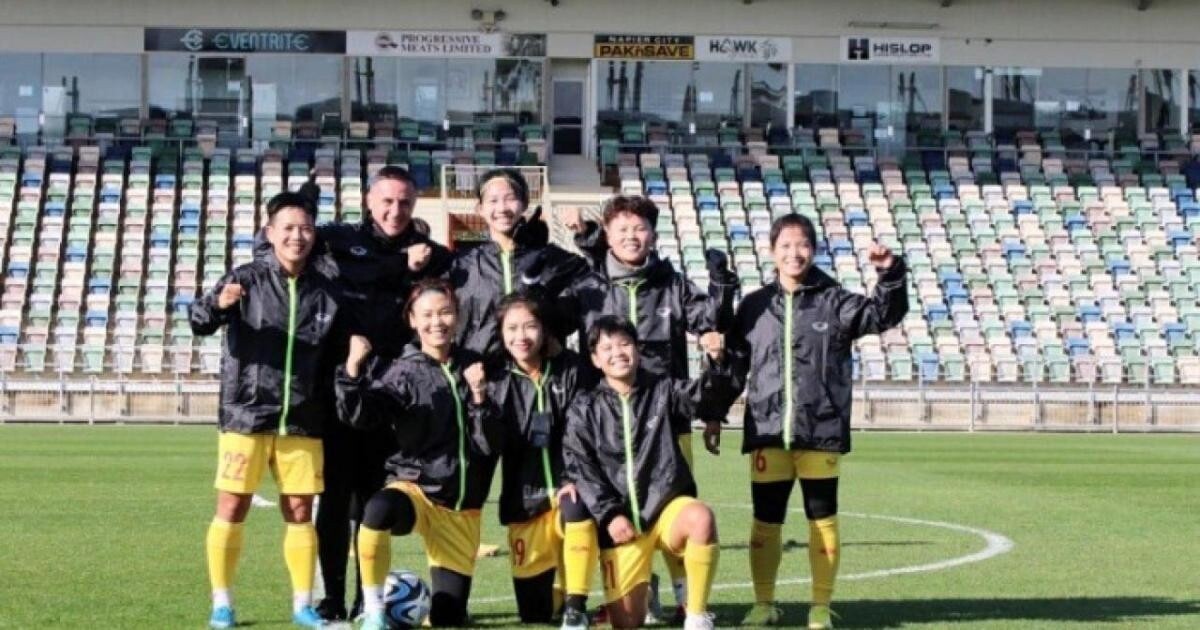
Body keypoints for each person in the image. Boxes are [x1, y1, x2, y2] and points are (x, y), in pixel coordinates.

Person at [718, 213, 908, 629]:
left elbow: (882, 315)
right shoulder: (754, 306)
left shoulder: (835, 300)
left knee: (822, 519)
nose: (794, 253)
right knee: (765, 523)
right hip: (768, 430)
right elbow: (733, 368)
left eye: (801, 244)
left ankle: (820, 607)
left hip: (820, 431)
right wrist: (714, 413)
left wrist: (890, 274)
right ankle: (763, 604)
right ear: (772, 252)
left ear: (814, 250)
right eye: (785, 245)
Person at [558, 195, 737, 622]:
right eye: (622, 230)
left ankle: (686, 599)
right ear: (608, 236)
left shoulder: (671, 283)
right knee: (619, 505)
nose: (631, 237)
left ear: (653, 236)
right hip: (606, 421)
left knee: (675, 500)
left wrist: (722, 282)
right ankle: (633, 585)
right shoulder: (590, 286)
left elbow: (710, 319)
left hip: (665, 416)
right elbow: (548, 321)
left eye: (640, 229)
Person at [191, 191, 346, 629]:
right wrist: (217, 305)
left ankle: (302, 606)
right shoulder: (247, 278)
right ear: (270, 233)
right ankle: (222, 602)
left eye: (306, 229)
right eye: (289, 228)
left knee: (299, 511)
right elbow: (199, 320)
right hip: (247, 414)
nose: (298, 236)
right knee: (232, 506)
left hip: (302, 417)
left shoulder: (326, 291)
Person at [335, 279, 502, 629]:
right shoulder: (403, 372)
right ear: (412, 320)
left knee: (447, 618)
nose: (436, 322)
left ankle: (444, 608)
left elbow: (488, 443)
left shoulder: (476, 367)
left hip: (461, 507)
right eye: (427, 315)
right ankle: (375, 611)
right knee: (378, 509)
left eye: (445, 312)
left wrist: (479, 396)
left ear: (457, 316)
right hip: (418, 490)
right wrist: (351, 372)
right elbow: (362, 415)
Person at [564, 316, 731, 630]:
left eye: (625, 344)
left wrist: (717, 362)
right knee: (627, 622)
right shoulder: (584, 407)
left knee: (701, 518)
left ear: (637, 350)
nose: (618, 353)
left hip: (665, 508)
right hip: (622, 521)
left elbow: (708, 396)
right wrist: (610, 514)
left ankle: (696, 616)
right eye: (607, 347)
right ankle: (643, 594)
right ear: (596, 359)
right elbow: (580, 466)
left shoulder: (663, 389)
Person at [485, 293, 599, 629]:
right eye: (512, 328)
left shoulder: (573, 370)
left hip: (568, 488)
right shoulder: (494, 378)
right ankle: (560, 592)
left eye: (530, 326)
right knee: (534, 613)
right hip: (525, 501)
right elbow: (487, 442)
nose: (521, 336)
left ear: (544, 329)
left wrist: (574, 478)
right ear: (501, 333)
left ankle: (576, 607)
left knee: (578, 508)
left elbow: (587, 432)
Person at [450, 168, 590, 357]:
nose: (502, 208)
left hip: (539, 375)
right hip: (483, 375)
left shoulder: (551, 259)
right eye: (493, 200)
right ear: (480, 209)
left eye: (510, 198)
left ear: (524, 204)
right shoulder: (461, 265)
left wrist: (586, 235)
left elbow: (604, 276)